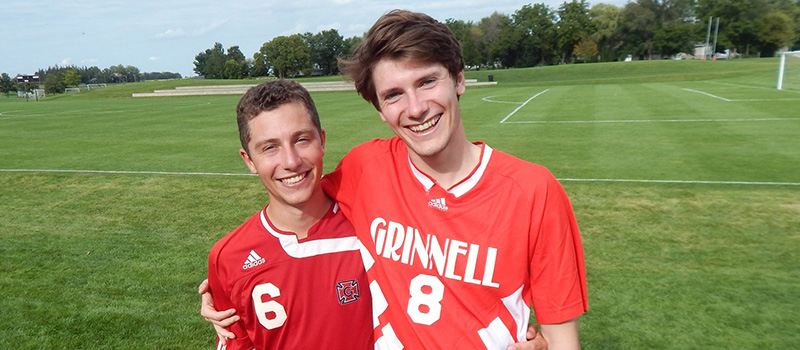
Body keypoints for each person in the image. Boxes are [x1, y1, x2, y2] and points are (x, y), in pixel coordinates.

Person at [204, 9, 587, 349]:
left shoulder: (534, 191)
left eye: (427, 82)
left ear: (458, 79)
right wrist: (229, 287)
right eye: (393, 95)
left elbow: (562, 340)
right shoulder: (366, 168)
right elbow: (297, 196)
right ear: (381, 111)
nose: (416, 108)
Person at [205, 79, 373, 349]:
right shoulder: (228, 257)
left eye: (302, 139)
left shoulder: (376, 225)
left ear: (322, 141)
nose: (291, 161)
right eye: (270, 147)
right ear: (249, 160)